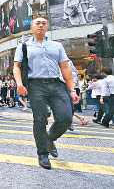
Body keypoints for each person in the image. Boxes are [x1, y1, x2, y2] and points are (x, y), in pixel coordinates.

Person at [13, 17, 78, 170]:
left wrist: (72, 90)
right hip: (36, 85)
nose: (41, 25)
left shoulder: (56, 46)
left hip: (56, 84)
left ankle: (49, 139)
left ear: (47, 27)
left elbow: (65, 67)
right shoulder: (24, 46)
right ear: (32, 28)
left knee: (66, 118)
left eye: (43, 23)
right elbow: (17, 67)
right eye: (37, 23)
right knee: (40, 119)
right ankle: (42, 153)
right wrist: (19, 84)